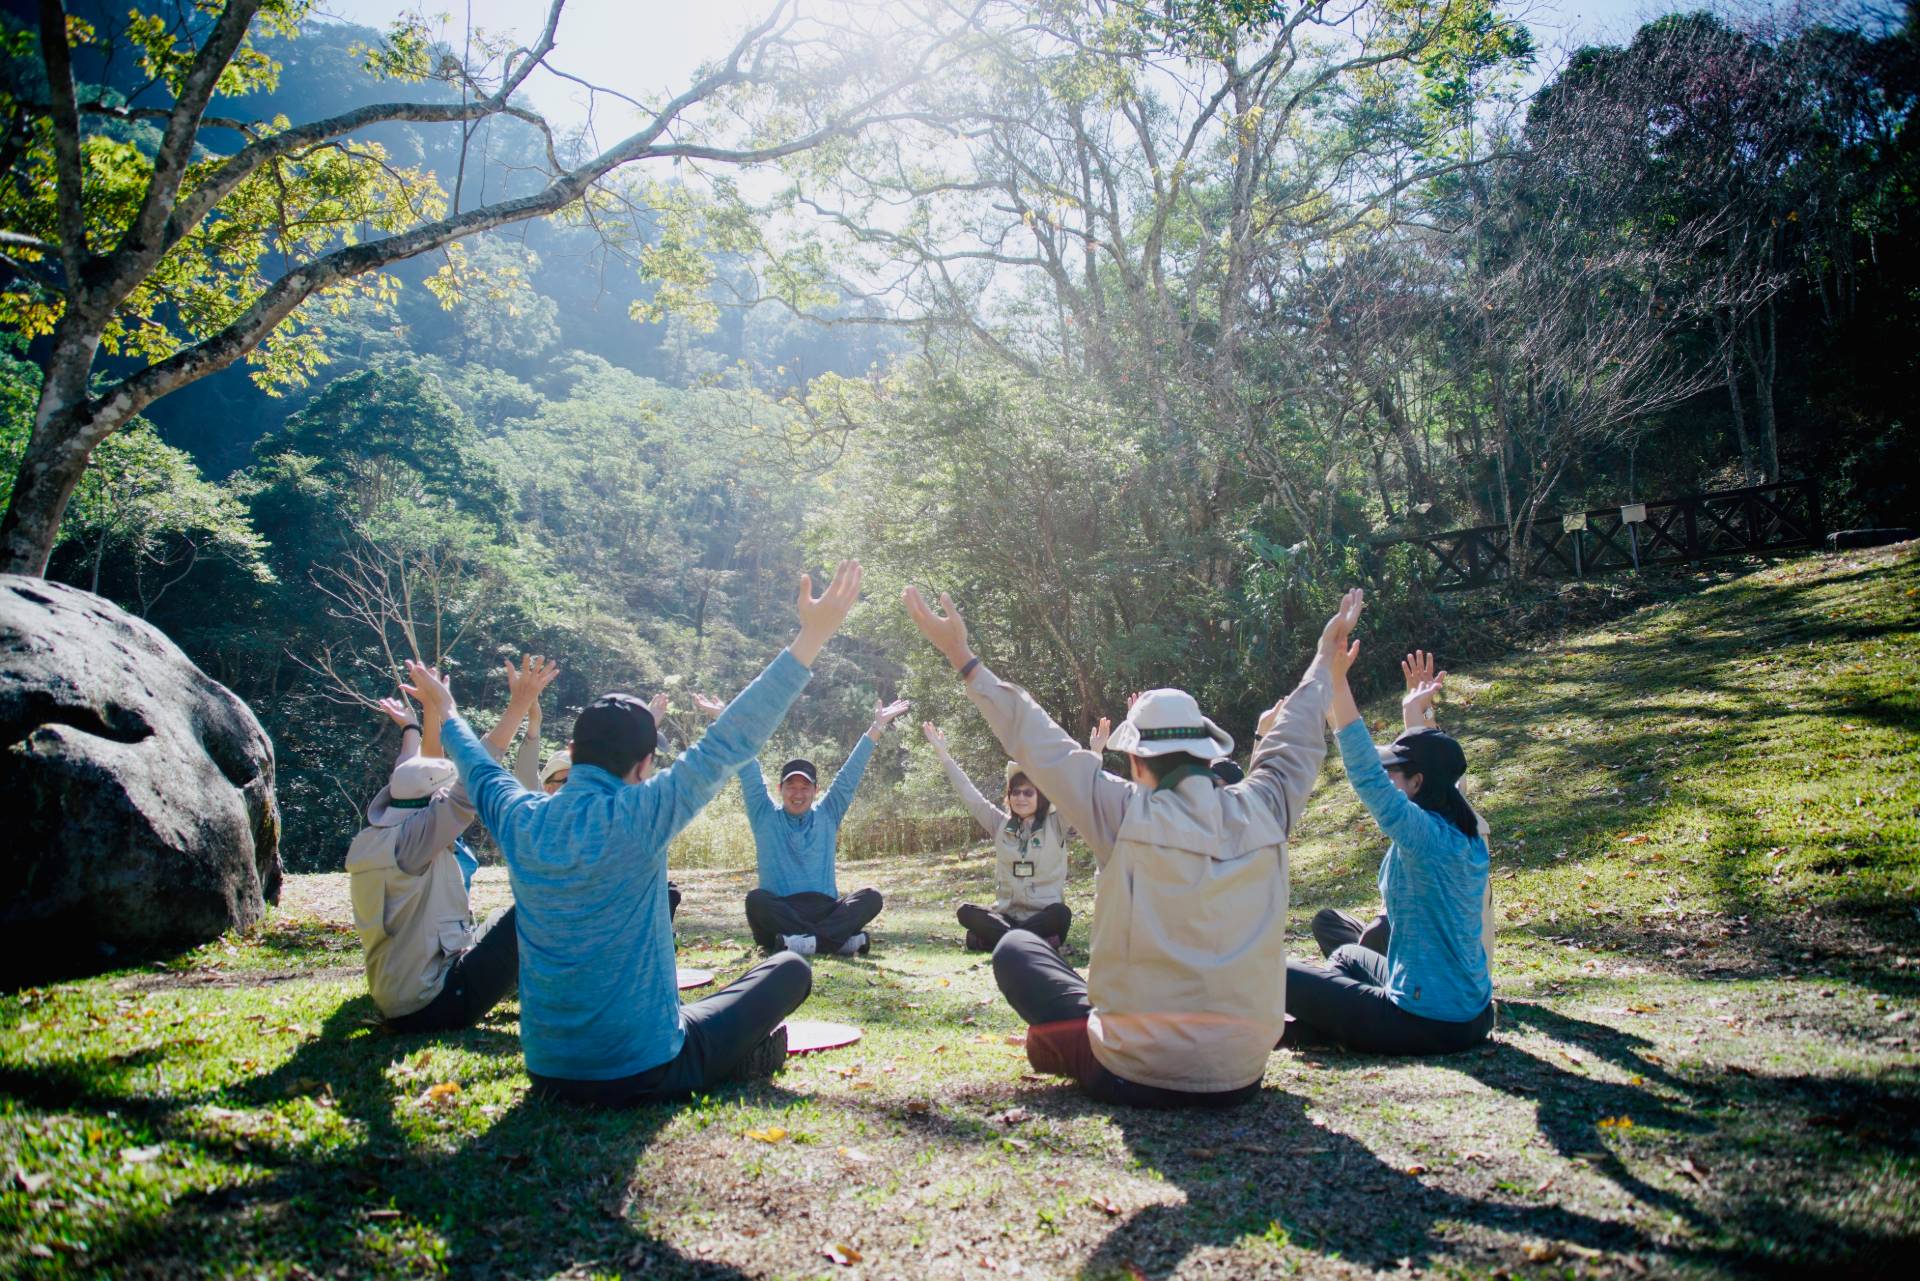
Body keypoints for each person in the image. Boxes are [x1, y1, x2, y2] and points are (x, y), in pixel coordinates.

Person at [407, 562, 864, 1106]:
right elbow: (728, 740)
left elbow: (479, 769)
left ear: (573, 755)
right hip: (646, 1068)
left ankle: (732, 1051)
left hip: (548, 1072)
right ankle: (742, 1058)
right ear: (646, 766)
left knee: (713, 1005)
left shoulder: (521, 816)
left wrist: (445, 709)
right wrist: (812, 635)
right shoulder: (643, 813)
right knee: (788, 969)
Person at [901, 584, 1345, 1109]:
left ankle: (1067, 1048)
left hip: (1136, 1071)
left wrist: (961, 654)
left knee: (1018, 950)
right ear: (1206, 756)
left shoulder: (1122, 811)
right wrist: (1322, 661)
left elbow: (1034, 737)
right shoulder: (1268, 806)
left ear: (1136, 761)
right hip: (1242, 1074)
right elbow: (1294, 738)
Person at [1284, 628, 1497, 1054]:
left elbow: (1364, 772)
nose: (1386, 778)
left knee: (1271, 972)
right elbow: (1437, 768)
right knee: (1346, 958)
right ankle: (1329, 1024)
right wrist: (1414, 713)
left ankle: (1320, 1030)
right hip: (1473, 1015)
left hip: (1425, 1021)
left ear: (1417, 783)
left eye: (1394, 773)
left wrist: (1337, 680)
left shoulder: (1426, 835)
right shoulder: (1463, 826)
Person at [345, 654, 557, 1032]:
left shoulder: (379, 836)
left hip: (401, 996)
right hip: (437, 1002)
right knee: (543, 905)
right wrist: (519, 705)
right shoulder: (414, 842)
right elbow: (476, 774)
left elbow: (414, 767)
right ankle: (572, 993)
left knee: (496, 920)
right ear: (430, 805)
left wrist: (420, 719)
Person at [717, 694, 911, 957]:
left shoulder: (828, 812)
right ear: (780, 789)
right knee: (756, 900)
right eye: (791, 787)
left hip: (824, 909)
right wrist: (726, 722)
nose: (798, 793)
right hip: (781, 911)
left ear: (816, 790)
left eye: (805, 787)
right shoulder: (764, 815)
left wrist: (876, 727)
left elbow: (849, 774)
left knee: (871, 897)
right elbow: (748, 768)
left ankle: (802, 942)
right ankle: (836, 941)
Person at [923, 721, 1073, 952]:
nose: (1020, 797)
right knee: (966, 911)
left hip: (1044, 917)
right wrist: (943, 754)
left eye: (1028, 792)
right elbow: (970, 795)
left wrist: (1095, 753)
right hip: (1007, 917)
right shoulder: (1000, 824)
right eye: (1015, 792)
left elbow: (1080, 793)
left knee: (1061, 914)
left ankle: (996, 941)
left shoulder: (1057, 824)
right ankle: (1033, 942)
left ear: (1041, 797)